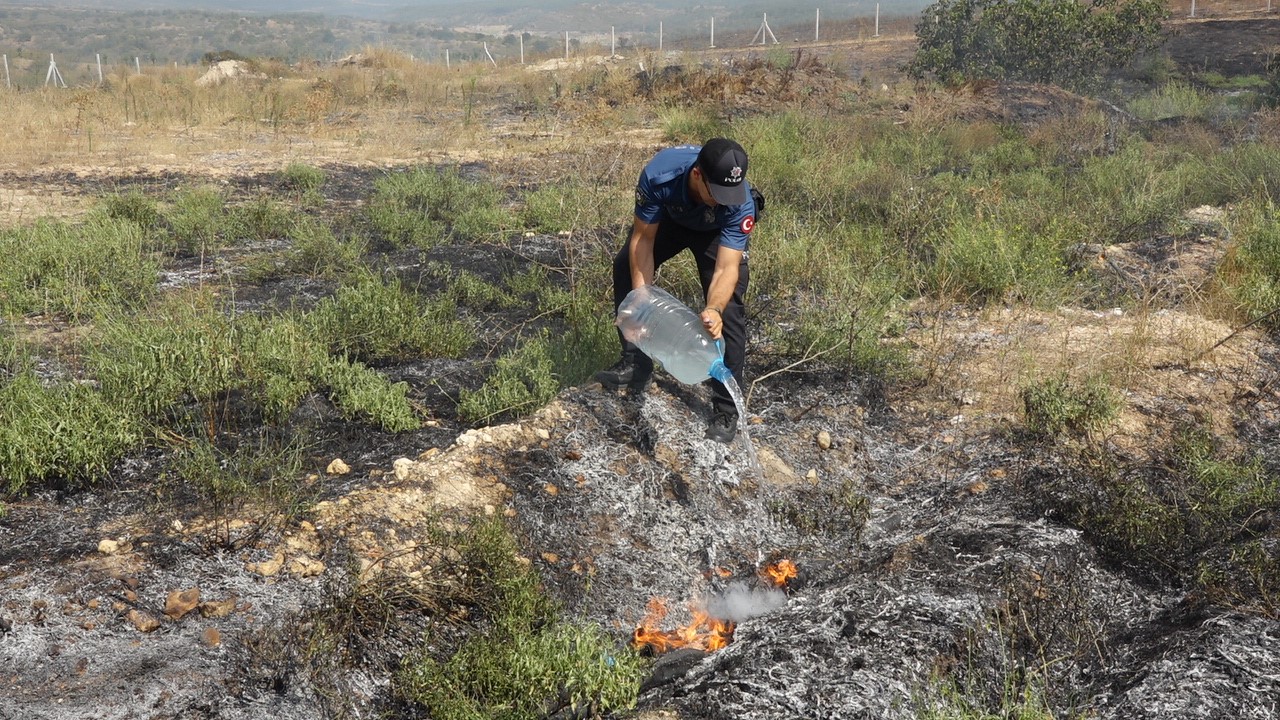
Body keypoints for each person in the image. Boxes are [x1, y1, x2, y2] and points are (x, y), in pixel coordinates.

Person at [594, 138, 758, 443]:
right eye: (717, 193)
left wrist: (714, 308)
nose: (725, 200)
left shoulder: (739, 202)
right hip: (673, 217)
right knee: (625, 270)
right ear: (697, 175)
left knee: (731, 310)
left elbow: (726, 268)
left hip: (715, 232)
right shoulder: (661, 175)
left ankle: (725, 409)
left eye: (730, 194)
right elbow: (642, 241)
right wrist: (643, 299)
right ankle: (635, 363)